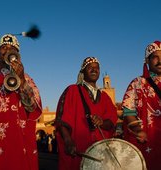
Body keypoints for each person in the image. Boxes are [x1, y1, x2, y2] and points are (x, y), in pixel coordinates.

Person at [55, 57, 117, 170]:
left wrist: (102, 122)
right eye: (90, 68)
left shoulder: (105, 97)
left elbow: (112, 121)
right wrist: (68, 141)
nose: (94, 70)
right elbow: (60, 119)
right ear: (83, 72)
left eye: (97, 68)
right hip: (78, 148)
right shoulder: (72, 90)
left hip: (101, 153)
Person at [0, 34, 42, 170]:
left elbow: (32, 108)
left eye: (11, 48)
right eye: (3, 47)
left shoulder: (26, 78)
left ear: (17, 54)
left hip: (18, 142)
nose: (7, 50)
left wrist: (22, 81)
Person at [122, 40, 161, 170]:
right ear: (147, 61)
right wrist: (137, 129)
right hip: (147, 140)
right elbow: (128, 111)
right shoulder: (137, 83)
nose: (159, 61)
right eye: (155, 57)